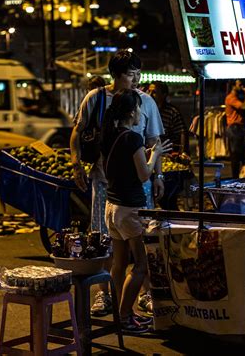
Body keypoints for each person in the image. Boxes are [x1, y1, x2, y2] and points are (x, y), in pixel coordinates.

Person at [70, 50, 164, 316]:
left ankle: (143, 293)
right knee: (106, 242)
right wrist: (76, 164)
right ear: (116, 75)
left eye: (138, 73)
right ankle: (107, 296)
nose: (137, 79)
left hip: (138, 186)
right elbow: (77, 132)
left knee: (139, 243)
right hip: (105, 184)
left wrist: (159, 176)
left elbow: (153, 140)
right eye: (131, 74)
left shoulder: (146, 101)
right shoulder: (96, 98)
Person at [100, 89, 171, 334]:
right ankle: (125, 316)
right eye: (139, 108)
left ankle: (124, 314)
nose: (142, 113)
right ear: (132, 112)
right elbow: (144, 174)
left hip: (111, 207)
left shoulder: (108, 134)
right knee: (140, 265)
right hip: (130, 209)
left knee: (119, 263)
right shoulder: (132, 138)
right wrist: (155, 155)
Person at [148, 81, 188, 153]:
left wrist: (181, 152)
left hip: (167, 153)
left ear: (164, 94)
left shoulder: (172, 112)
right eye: (149, 91)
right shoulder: (147, 110)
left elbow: (182, 133)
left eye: (154, 92)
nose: (150, 95)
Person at [225, 80, 245, 178]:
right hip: (234, 128)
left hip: (239, 128)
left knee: (241, 154)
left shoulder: (236, 97)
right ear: (233, 86)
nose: (242, 86)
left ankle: (240, 176)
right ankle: (235, 177)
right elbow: (243, 107)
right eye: (239, 84)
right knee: (235, 155)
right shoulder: (231, 98)